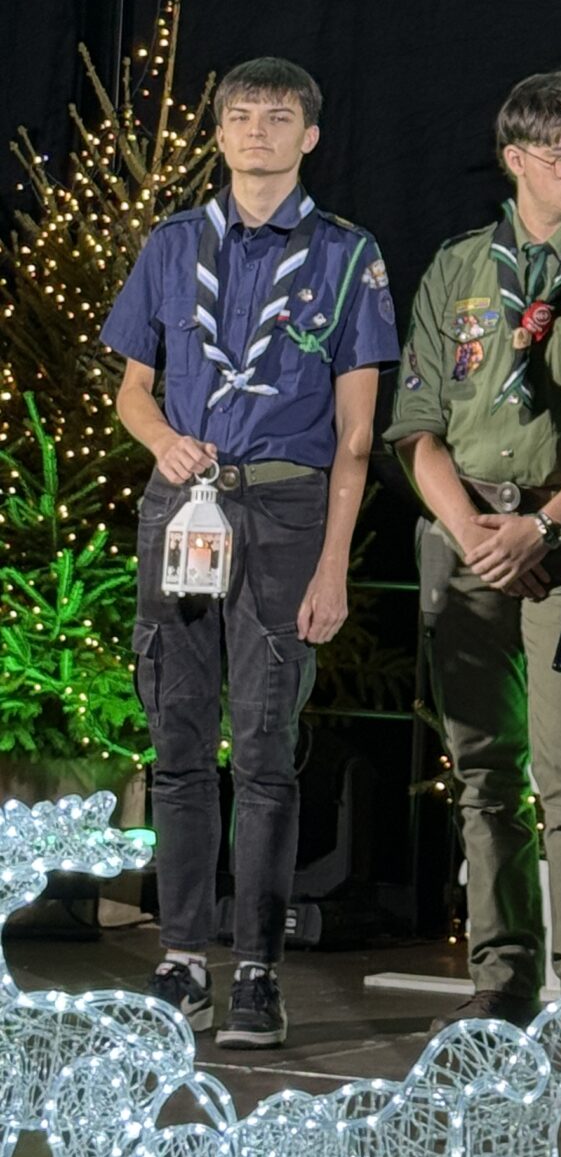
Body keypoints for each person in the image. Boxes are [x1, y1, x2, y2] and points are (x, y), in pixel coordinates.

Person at [102, 57, 397, 1050]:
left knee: (266, 751)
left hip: (284, 510)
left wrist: (335, 563)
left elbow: (357, 432)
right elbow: (133, 388)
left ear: (309, 136)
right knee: (179, 744)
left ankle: (260, 970)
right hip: (181, 505)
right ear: (220, 131)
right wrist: (161, 440)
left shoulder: (347, 254)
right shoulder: (172, 243)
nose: (255, 131)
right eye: (239, 115)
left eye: (277, 117)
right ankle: (183, 957)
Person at [387, 72, 561, 1026]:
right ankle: (500, 980)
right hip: (464, 537)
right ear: (514, 160)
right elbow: (416, 424)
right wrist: (474, 534)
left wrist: (542, 527)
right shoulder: (460, 267)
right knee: (482, 776)